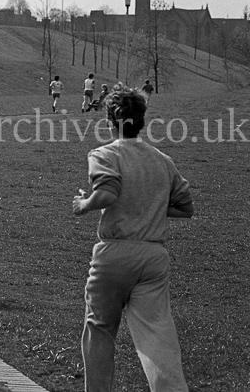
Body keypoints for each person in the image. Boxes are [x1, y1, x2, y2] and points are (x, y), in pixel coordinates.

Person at [72, 85, 193, 392]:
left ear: (110, 121)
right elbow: (185, 208)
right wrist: (150, 207)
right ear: (141, 120)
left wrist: (84, 204)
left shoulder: (105, 154)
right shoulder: (163, 160)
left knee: (100, 329)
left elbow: (107, 193)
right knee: (158, 337)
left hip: (114, 254)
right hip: (153, 256)